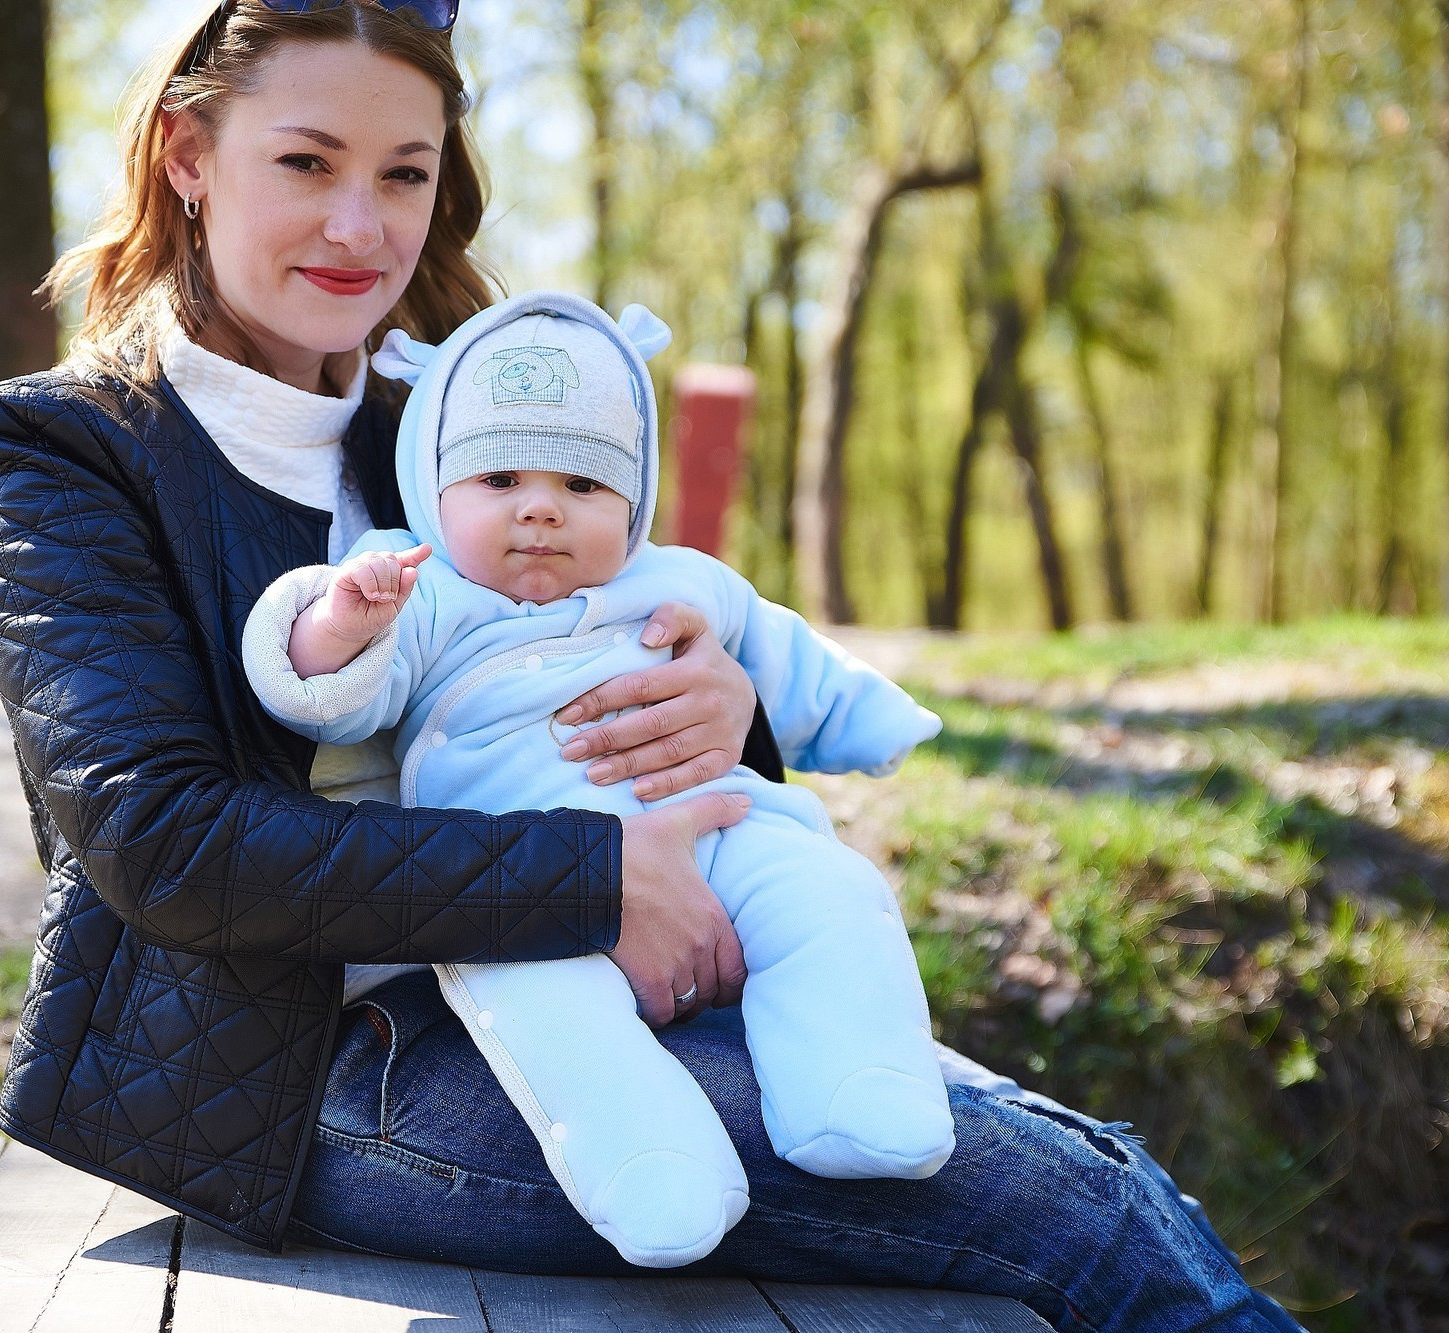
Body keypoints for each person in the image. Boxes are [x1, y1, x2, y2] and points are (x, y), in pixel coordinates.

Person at [0, 2, 1306, 1330]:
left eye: (404, 173)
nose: (360, 226)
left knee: (1087, 1157)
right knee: (1070, 1210)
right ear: (189, 154)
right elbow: (166, 843)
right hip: (306, 1074)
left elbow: (616, 637)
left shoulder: (457, 425)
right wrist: (593, 883)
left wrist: (725, 708)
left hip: (581, 988)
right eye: (306, 162)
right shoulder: (65, 450)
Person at [240, 291, 956, 1269]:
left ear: (635, 500)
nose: (539, 508)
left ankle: (859, 1087)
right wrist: (339, 625)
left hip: (719, 830)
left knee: (830, 893)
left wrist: (874, 720)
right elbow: (329, 700)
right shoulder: (423, 589)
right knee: (546, 1014)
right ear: (433, 487)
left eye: (582, 482)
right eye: (499, 477)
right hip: (524, 885)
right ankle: (650, 1168)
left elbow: (787, 662)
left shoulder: (678, 580)